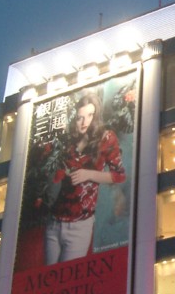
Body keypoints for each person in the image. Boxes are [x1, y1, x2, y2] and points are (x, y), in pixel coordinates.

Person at [44, 93, 126, 264]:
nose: (84, 122)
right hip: (54, 221)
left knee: (67, 280)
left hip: (80, 222)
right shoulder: (67, 140)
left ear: (96, 115)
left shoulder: (106, 138)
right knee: (48, 278)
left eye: (90, 115)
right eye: (80, 117)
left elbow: (118, 175)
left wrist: (88, 174)